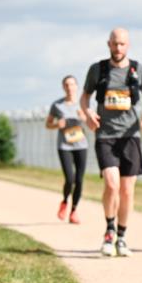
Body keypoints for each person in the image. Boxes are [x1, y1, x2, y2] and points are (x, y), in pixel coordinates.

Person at [79, 27, 142, 257]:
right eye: (115, 44)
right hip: (105, 135)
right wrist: (87, 113)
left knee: (127, 189)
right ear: (108, 44)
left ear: (128, 45)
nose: (118, 48)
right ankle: (109, 230)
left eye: (122, 44)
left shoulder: (137, 70)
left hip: (130, 136)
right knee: (112, 183)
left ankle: (122, 237)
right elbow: (85, 97)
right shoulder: (98, 70)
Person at [46, 75, 87, 224]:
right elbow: (48, 124)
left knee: (79, 180)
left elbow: (92, 123)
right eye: (67, 85)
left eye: (72, 84)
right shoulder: (57, 105)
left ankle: (74, 211)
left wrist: (84, 117)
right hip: (64, 146)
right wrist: (57, 125)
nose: (70, 88)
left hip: (81, 145)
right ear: (63, 87)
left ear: (77, 86)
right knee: (70, 179)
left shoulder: (83, 104)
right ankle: (64, 202)